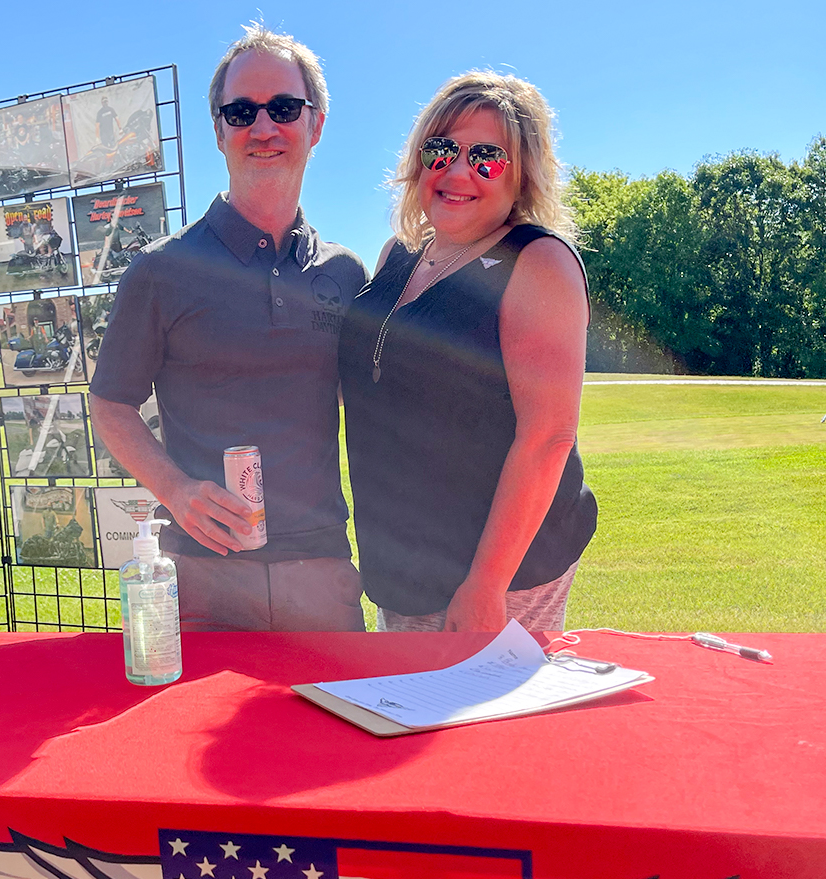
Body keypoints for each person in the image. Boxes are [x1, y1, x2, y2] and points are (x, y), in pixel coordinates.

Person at [89, 25, 368, 632]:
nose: (263, 127)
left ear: (316, 125)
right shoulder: (161, 270)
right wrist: (175, 490)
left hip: (321, 567)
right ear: (219, 132)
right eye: (241, 112)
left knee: (337, 702)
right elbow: (110, 403)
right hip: (202, 573)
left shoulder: (346, 273)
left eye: (284, 108)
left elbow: (377, 408)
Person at [339, 71, 598, 633]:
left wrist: (486, 585)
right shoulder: (398, 256)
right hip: (403, 567)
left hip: (501, 577)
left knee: (482, 696)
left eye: (487, 157)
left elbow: (548, 437)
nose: (457, 172)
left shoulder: (537, 263)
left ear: (523, 172)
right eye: (441, 150)